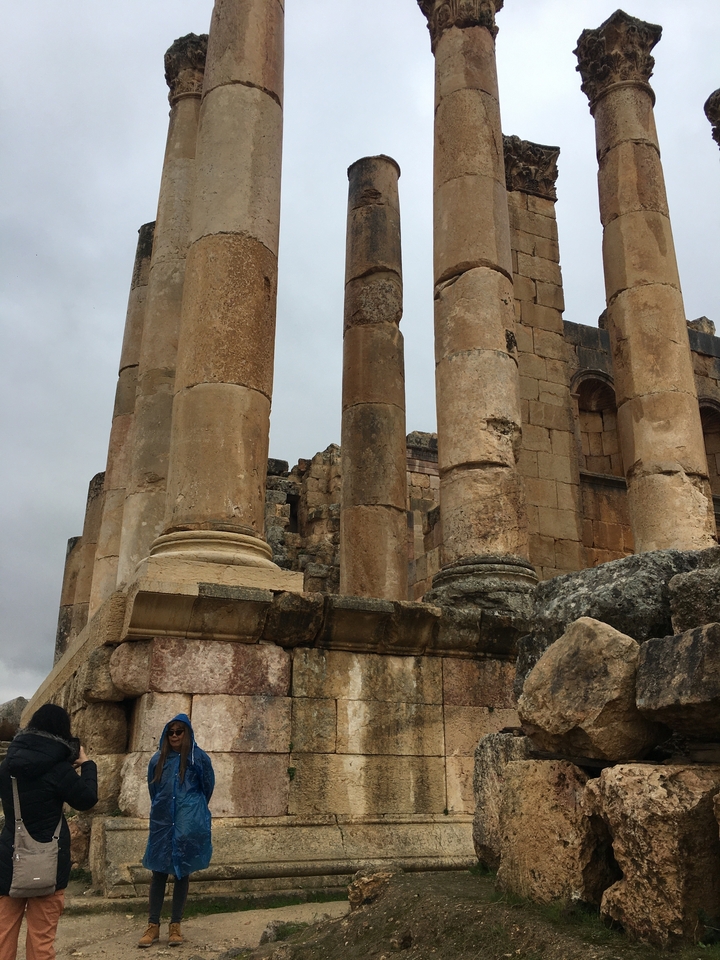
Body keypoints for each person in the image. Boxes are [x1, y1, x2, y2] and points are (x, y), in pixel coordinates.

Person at [0, 703, 97, 960]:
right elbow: (86, 799)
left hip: (9, 860)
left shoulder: (7, 765)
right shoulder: (59, 770)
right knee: (41, 941)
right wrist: (86, 765)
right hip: (49, 862)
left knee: (2, 937)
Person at [138, 713, 214, 948]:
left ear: (187, 733)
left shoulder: (198, 759)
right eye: (170, 732)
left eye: (179, 731)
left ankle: (176, 925)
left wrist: (190, 811)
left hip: (186, 822)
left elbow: (207, 788)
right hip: (163, 822)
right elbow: (154, 791)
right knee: (158, 872)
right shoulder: (157, 760)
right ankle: (152, 925)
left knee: (182, 872)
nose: (174, 736)